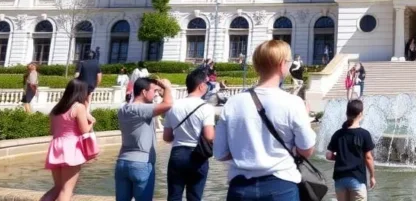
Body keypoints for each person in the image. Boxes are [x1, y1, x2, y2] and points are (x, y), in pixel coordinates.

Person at [214, 40, 317, 201]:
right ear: (282, 64)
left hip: (240, 187)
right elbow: (307, 150)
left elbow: (220, 153)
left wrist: (247, 157)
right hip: (281, 186)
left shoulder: (233, 102)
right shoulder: (293, 102)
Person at [116, 76, 175, 201]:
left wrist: (159, 89)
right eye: (153, 91)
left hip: (122, 162)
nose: (155, 95)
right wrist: (167, 88)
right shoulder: (142, 109)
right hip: (142, 163)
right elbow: (168, 104)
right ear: (144, 92)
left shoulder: (122, 109)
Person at [163, 68, 215, 201]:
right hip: (198, 155)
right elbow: (209, 136)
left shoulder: (173, 106)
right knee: (195, 196)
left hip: (177, 154)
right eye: (207, 83)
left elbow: (167, 137)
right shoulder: (206, 108)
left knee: (174, 196)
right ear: (201, 86)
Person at [41, 79, 94, 201]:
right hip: (71, 147)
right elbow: (85, 130)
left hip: (56, 146)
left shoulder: (57, 108)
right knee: (67, 190)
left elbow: (52, 131)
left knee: (57, 188)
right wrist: (92, 122)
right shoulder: (78, 107)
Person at [326, 99, 376, 201]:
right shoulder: (364, 134)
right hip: (357, 179)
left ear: (347, 113)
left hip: (339, 179)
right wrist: (372, 176)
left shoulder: (338, 134)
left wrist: (341, 157)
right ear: (360, 114)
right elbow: (368, 157)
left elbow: (328, 155)